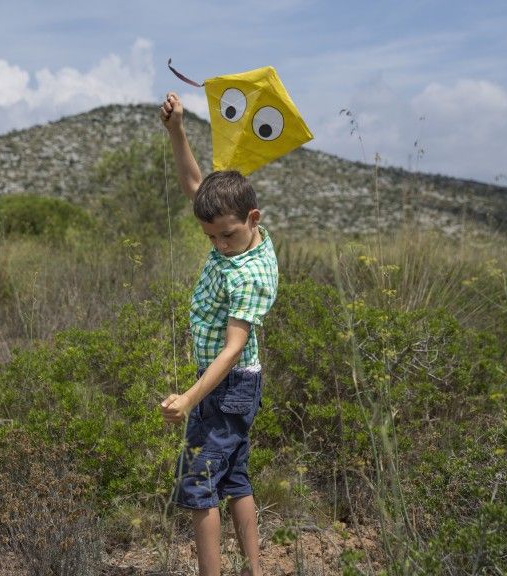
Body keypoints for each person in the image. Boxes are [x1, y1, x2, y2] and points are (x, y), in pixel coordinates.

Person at [159, 92, 278, 576]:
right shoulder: (237, 231)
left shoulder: (251, 274)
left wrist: (190, 398)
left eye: (226, 235)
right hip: (230, 384)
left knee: (199, 486)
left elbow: (233, 349)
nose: (219, 245)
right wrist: (177, 130)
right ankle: (254, 570)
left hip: (228, 384)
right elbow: (196, 187)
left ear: (253, 218)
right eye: (210, 237)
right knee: (235, 480)